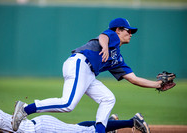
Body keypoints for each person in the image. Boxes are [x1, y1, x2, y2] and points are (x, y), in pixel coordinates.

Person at [12, 17, 162, 133]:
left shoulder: (117, 58)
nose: (130, 34)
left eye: (131, 32)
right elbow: (104, 36)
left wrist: (158, 84)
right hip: (80, 63)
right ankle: (25, 109)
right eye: (128, 31)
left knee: (108, 98)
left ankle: (99, 131)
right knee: (67, 104)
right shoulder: (112, 37)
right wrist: (104, 47)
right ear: (118, 30)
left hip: (88, 73)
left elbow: (134, 79)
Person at [0, 93, 150, 133]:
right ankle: (111, 123)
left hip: (43, 129)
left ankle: (132, 121)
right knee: (78, 128)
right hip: (40, 127)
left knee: (87, 131)